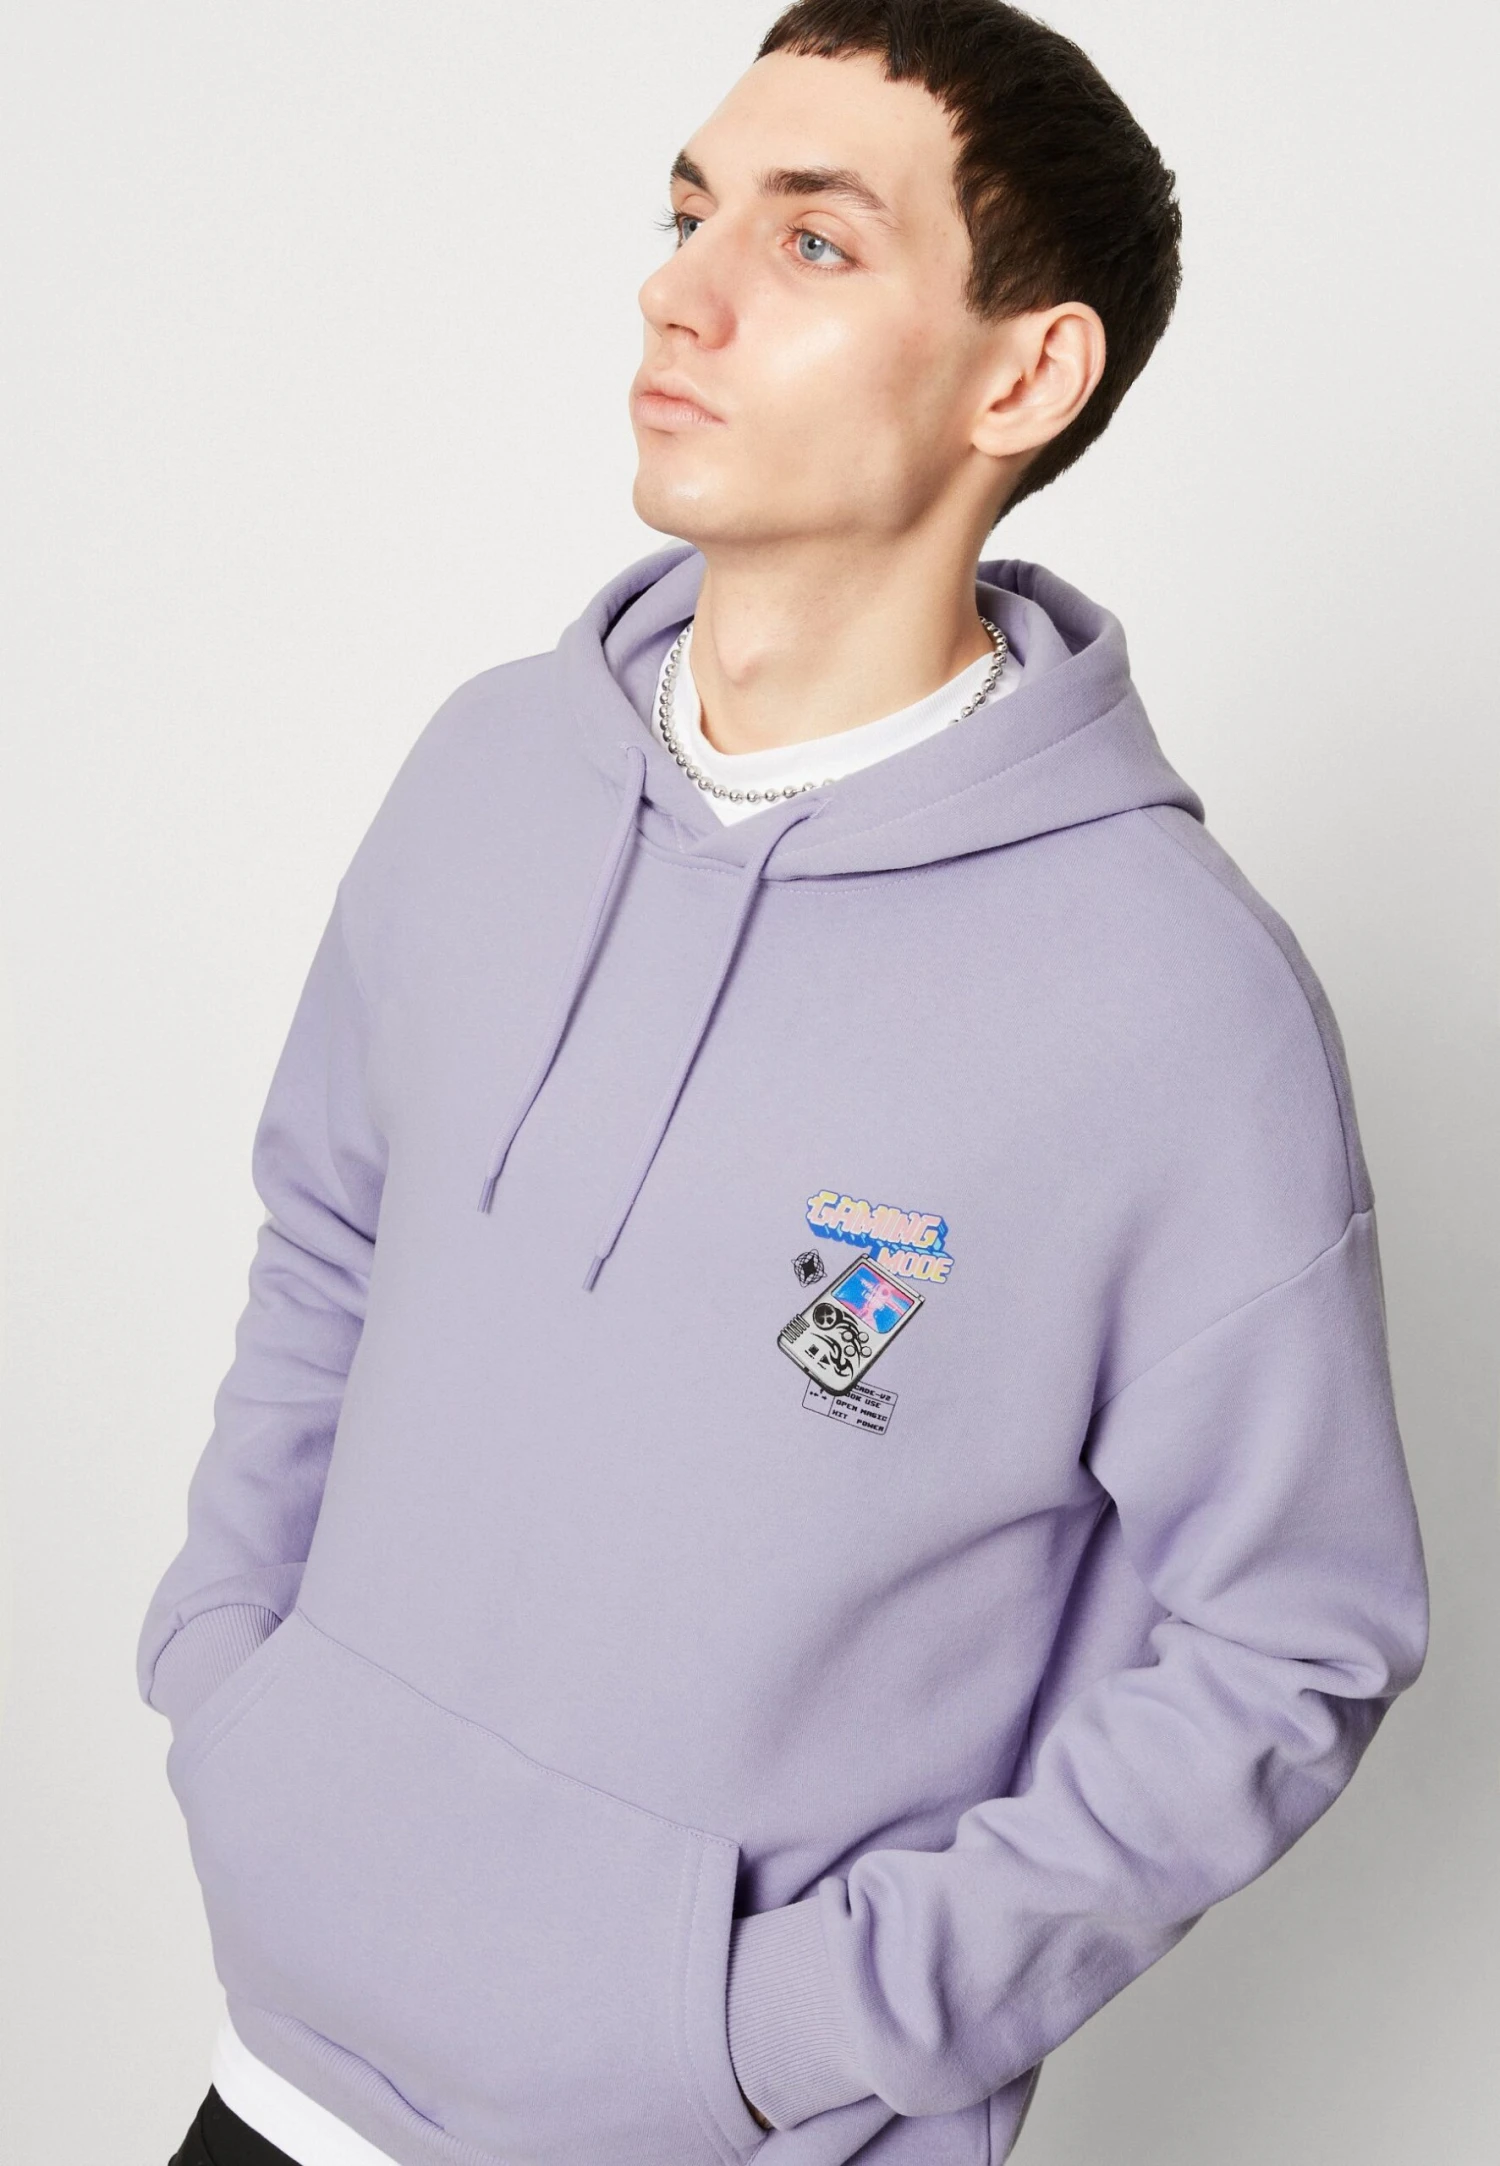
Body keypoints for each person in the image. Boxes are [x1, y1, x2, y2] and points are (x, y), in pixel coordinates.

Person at [143, 5, 1429, 2164]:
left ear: (1023, 376)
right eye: (688, 212)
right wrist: (226, 1677)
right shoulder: (489, 770)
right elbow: (329, 1243)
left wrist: (788, 2020)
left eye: (814, 240)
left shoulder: (1177, 1005)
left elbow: (1291, 1639)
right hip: (277, 2069)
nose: (683, 288)